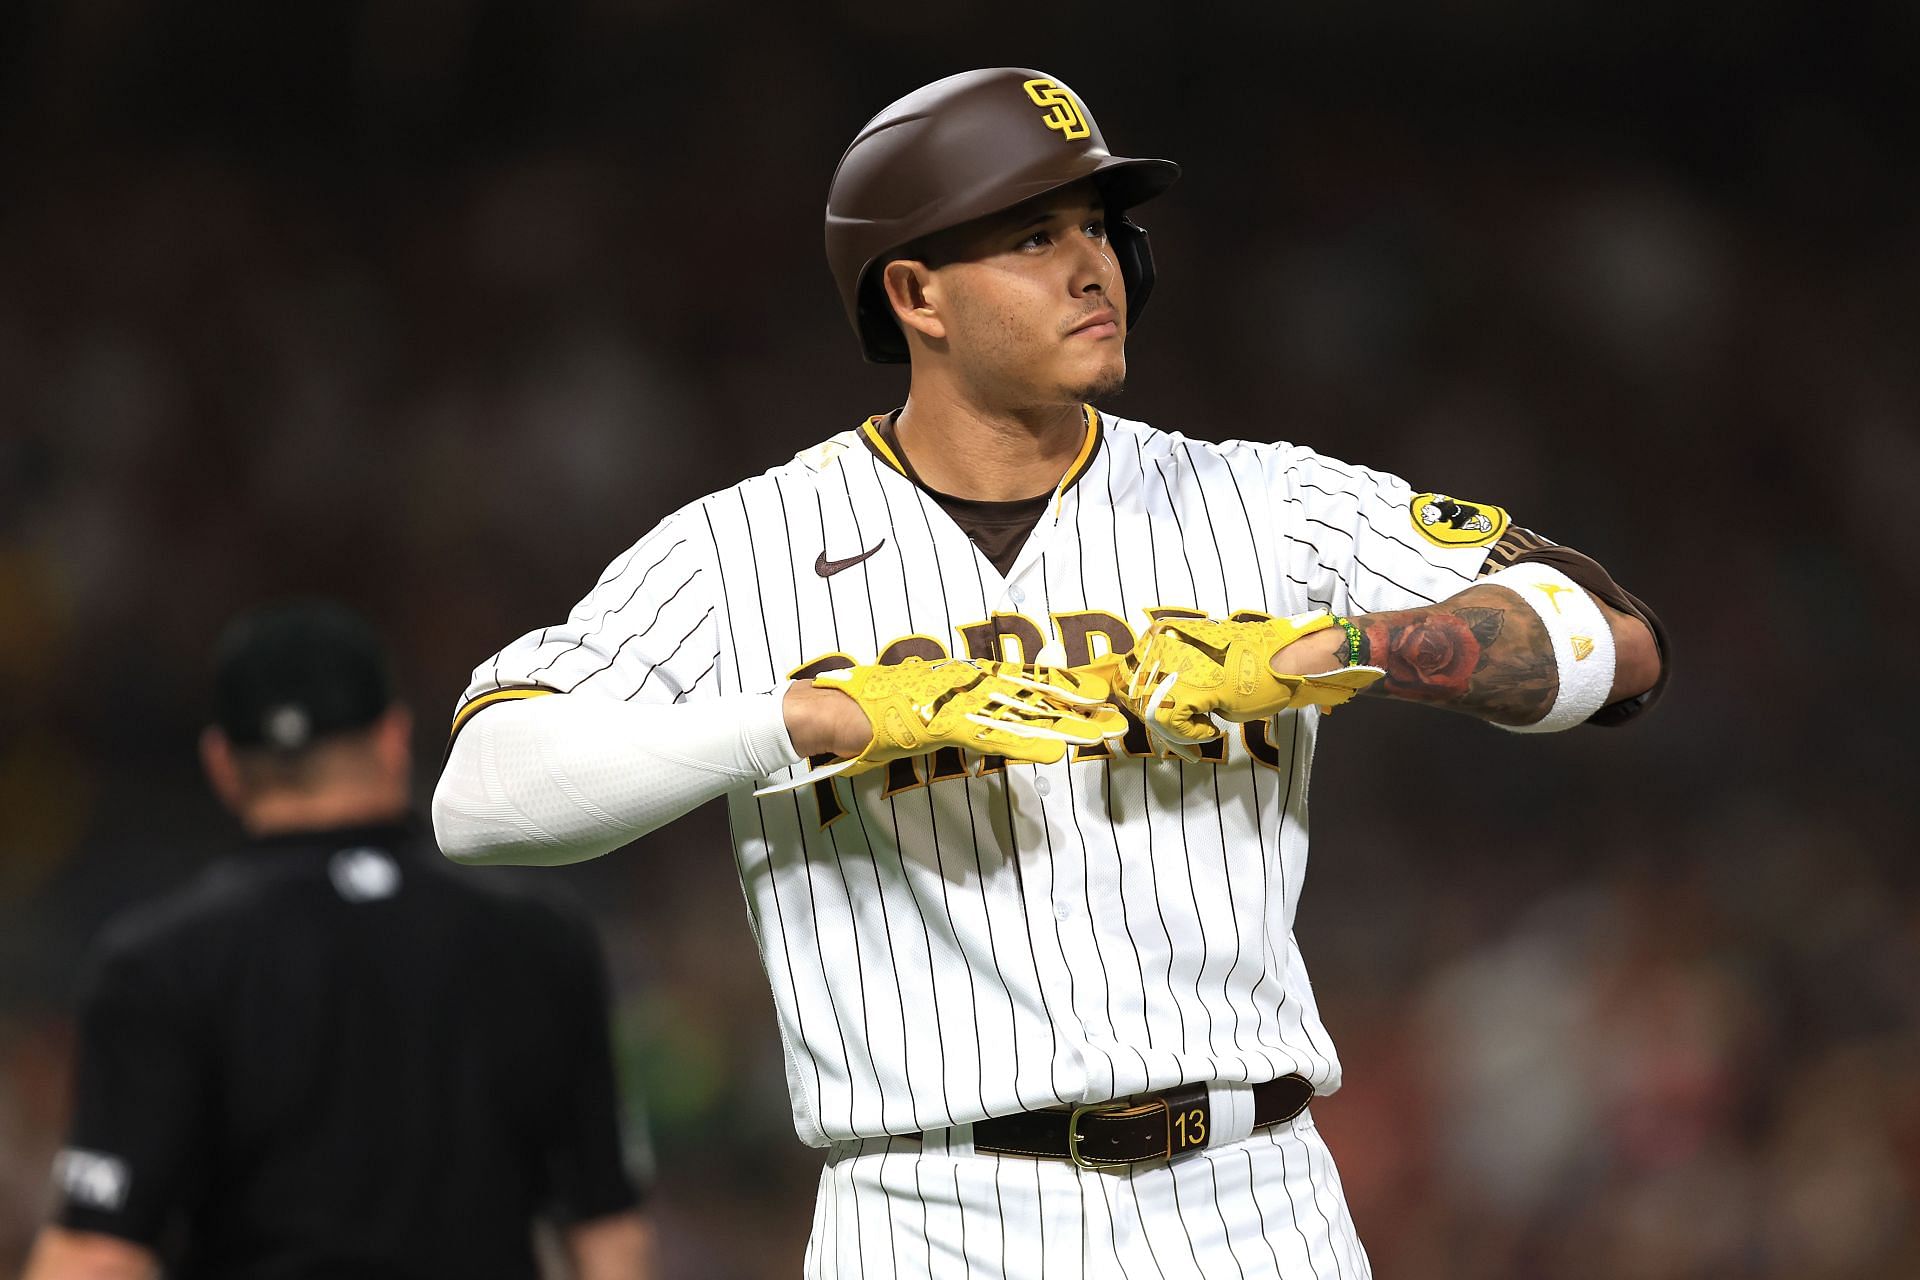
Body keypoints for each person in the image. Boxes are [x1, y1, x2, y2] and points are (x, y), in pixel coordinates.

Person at [432, 68, 1669, 1278]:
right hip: (924, 1211)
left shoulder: (1264, 499)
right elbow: (482, 798)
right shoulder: (738, 546)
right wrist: (804, 715)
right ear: (915, 292)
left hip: (1251, 1198)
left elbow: (1616, 646)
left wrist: (1333, 652)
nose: (1093, 265)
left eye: (1099, 227)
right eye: (1031, 235)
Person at [25, 601, 654, 1280]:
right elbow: (608, 1234)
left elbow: (98, 1253)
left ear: (223, 763)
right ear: (393, 737)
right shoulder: (541, 938)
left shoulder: (160, 961)